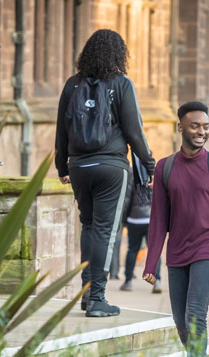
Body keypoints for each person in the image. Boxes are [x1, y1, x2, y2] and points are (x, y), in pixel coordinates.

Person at [55, 29, 155, 318]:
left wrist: (62, 167)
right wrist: (150, 165)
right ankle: (97, 299)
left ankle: (87, 296)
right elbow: (134, 131)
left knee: (88, 227)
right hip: (111, 167)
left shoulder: (72, 85)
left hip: (78, 167)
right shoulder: (121, 83)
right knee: (105, 231)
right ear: (118, 54)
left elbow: (61, 130)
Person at [143, 101, 209, 357]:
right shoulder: (164, 167)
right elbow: (159, 219)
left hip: (208, 249)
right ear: (180, 127)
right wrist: (152, 262)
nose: (201, 132)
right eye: (195, 126)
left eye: (205, 127)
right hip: (177, 252)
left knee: (195, 314)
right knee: (180, 321)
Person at [119, 174, 162, 294]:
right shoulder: (157, 177)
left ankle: (128, 281)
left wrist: (124, 219)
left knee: (132, 250)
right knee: (154, 251)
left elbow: (127, 199)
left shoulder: (133, 177)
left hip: (134, 219)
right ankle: (157, 280)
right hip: (151, 220)